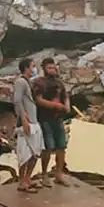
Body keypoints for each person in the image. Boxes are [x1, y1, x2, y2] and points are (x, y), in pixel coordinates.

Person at [34, 57, 71, 187]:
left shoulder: (59, 83)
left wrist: (66, 105)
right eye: (49, 67)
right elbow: (38, 100)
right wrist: (54, 106)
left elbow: (66, 96)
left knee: (61, 146)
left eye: (54, 67)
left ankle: (59, 174)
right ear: (44, 69)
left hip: (58, 118)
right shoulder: (39, 83)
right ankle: (44, 174)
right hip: (45, 118)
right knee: (48, 147)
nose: (53, 69)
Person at [13, 57, 43, 193]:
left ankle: (27, 178)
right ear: (26, 67)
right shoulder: (20, 82)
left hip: (34, 121)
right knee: (25, 153)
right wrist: (24, 119)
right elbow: (17, 101)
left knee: (35, 152)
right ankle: (21, 181)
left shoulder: (28, 82)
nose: (34, 69)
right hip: (27, 122)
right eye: (32, 66)